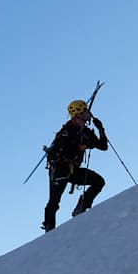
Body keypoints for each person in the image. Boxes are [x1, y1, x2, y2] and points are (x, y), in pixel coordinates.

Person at [42, 99, 109, 232]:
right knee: (54, 201)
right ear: (78, 113)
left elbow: (103, 146)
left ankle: (82, 207)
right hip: (60, 169)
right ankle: (49, 231)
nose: (88, 114)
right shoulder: (66, 131)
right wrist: (82, 147)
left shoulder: (86, 132)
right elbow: (65, 149)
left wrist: (101, 129)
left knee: (98, 182)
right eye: (85, 111)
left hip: (72, 170)